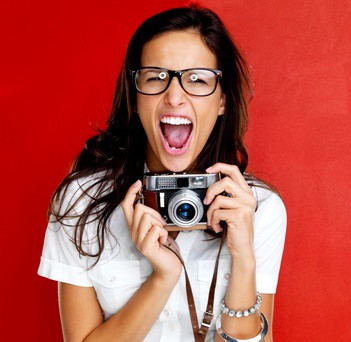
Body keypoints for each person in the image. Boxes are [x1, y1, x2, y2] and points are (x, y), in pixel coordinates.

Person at [38, 4, 287, 342]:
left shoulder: (259, 208)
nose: (174, 97)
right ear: (135, 95)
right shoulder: (82, 201)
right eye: (155, 77)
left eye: (197, 79)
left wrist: (243, 259)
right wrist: (163, 277)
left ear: (223, 100)